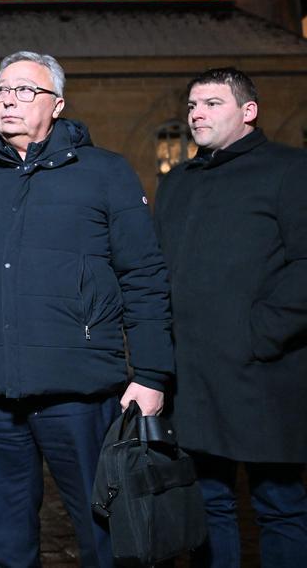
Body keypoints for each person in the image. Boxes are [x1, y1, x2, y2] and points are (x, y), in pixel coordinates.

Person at [0, 51, 174, 567]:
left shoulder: (104, 173)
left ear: (57, 104)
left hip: (77, 391)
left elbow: (144, 275)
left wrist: (151, 374)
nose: (8, 100)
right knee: (6, 543)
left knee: (107, 535)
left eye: (25, 90)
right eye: (1, 90)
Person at [154, 67, 307, 568]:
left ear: (248, 111)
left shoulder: (290, 170)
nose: (197, 114)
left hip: (265, 376)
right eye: (192, 105)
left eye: (212, 103)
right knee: (206, 505)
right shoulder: (177, 183)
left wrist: (260, 335)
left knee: (279, 505)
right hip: (193, 380)